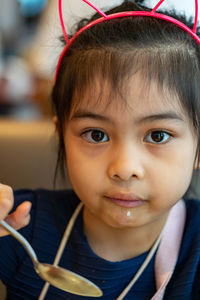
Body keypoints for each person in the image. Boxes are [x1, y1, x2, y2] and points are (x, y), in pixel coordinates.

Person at [0, 0, 200, 299]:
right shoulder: (17, 225)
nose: (124, 167)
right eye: (96, 135)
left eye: (158, 135)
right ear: (62, 138)